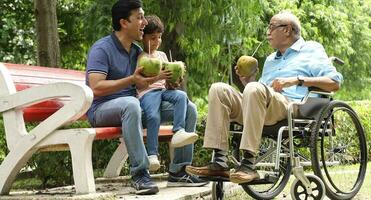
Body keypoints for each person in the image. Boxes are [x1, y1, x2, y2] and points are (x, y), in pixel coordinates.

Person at [186, 11, 343, 184]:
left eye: (272, 26)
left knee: (254, 88)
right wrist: (247, 82)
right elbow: (257, 94)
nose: (267, 31)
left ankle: (248, 163)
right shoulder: (270, 59)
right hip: (266, 106)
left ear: (288, 30)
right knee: (219, 89)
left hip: (292, 106)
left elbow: (334, 82)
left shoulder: (311, 49)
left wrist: (296, 80)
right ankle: (219, 161)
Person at [85, 0, 207, 195]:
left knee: (189, 108)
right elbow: (96, 87)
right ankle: (140, 173)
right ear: (124, 22)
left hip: (134, 108)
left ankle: (179, 171)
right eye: (140, 17)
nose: (144, 22)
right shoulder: (102, 48)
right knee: (131, 104)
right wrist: (131, 79)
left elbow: (143, 83)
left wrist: (169, 80)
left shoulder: (137, 52)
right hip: (102, 109)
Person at [137, 15, 198, 172]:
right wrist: (159, 76)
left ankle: (178, 131)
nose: (157, 41)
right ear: (142, 38)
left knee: (182, 97)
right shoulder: (141, 58)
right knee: (154, 116)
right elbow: (138, 83)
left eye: (159, 37)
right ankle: (152, 154)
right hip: (148, 93)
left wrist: (173, 81)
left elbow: (167, 83)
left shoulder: (162, 56)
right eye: (152, 38)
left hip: (163, 91)